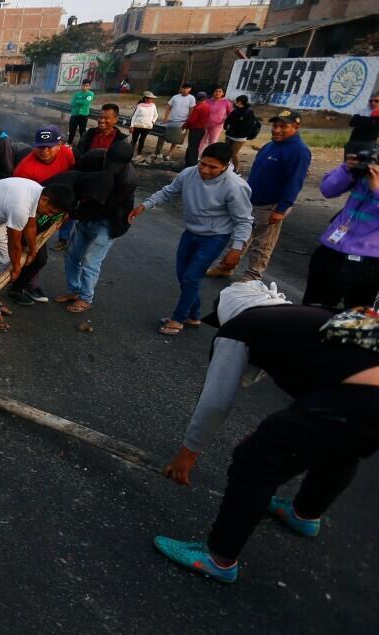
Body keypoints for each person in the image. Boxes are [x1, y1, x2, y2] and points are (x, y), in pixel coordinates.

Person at [156, 289, 379, 583]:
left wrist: (187, 454)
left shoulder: (239, 328)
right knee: (344, 444)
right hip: (361, 399)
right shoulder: (301, 316)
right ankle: (304, 514)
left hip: (360, 396)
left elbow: (215, 402)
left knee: (255, 460)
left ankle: (218, 558)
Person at [129, 143, 253, 336]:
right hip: (191, 232)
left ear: (225, 166)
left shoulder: (235, 187)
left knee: (191, 277)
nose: (205, 170)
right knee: (183, 276)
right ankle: (193, 315)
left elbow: (244, 220)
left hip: (215, 237)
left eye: (213, 167)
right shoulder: (189, 173)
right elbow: (168, 192)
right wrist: (145, 205)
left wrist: (236, 249)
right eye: (203, 164)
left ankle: (178, 318)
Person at [208, 109, 310, 281]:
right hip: (250, 201)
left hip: (271, 205)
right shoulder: (270, 145)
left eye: (283, 126)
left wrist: (281, 209)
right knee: (240, 235)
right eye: (275, 125)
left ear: (295, 127)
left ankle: (253, 275)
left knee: (262, 243)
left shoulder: (299, 151)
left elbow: (295, 182)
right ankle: (226, 266)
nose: (277, 130)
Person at [0, 178, 75, 331]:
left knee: (4, 263)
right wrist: (16, 269)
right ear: (45, 199)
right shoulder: (21, 206)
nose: (48, 215)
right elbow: (14, 244)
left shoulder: (37, 191)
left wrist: (33, 251)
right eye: (50, 211)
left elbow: (31, 226)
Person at [53, 143, 138, 314]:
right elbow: (74, 178)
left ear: (127, 163)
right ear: (106, 154)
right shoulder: (93, 157)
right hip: (86, 216)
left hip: (108, 221)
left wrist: (73, 214)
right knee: (72, 254)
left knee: (90, 261)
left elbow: (107, 207)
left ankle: (85, 298)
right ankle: (74, 290)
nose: (111, 169)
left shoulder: (129, 180)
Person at [303, 143, 379, 309]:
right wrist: (347, 168)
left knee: (356, 323)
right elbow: (328, 190)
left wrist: (377, 189)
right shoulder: (365, 171)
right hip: (332, 251)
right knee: (313, 310)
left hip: (370, 261)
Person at [9, 125, 76, 305]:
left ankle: (28, 283)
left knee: (37, 255)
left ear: (60, 144)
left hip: (52, 211)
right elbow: (18, 201)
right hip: (28, 214)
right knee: (35, 255)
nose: (45, 151)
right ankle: (16, 286)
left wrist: (65, 209)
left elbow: (72, 181)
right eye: (40, 147)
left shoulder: (67, 155)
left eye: (50, 146)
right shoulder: (24, 169)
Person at [221, 95, 260, 173]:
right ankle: (225, 166)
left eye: (237, 100)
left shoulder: (248, 112)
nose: (235, 102)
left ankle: (236, 169)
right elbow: (228, 119)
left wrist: (236, 128)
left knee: (233, 153)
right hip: (230, 134)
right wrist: (227, 127)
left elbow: (247, 125)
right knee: (226, 151)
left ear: (240, 101)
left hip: (240, 137)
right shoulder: (235, 110)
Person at [163, 83, 196, 159]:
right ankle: (158, 151)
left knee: (176, 137)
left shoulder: (191, 98)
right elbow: (169, 107)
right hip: (172, 119)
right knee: (165, 135)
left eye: (187, 88)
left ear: (190, 89)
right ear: (181, 89)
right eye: (184, 88)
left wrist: (188, 120)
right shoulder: (175, 97)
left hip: (182, 121)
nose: (185, 90)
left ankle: (170, 152)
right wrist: (166, 117)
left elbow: (191, 110)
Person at [200, 86, 233, 155]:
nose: (217, 93)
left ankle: (209, 155)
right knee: (201, 140)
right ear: (213, 92)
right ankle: (197, 156)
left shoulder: (226, 102)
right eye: (216, 91)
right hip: (205, 124)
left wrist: (225, 120)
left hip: (217, 126)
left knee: (212, 141)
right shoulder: (207, 101)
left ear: (223, 93)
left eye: (220, 91)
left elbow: (230, 113)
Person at [182, 91, 209, 168]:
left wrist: (185, 125)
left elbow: (192, 120)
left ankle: (190, 165)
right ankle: (192, 163)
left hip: (195, 129)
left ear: (196, 99)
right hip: (202, 129)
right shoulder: (206, 106)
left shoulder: (198, 107)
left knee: (191, 148)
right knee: (195, 147)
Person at [129, 92, 158, 156]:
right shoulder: (139, 105)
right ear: (145, 99)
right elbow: (134, 116)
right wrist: (132, 126)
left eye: (151, 98)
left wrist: (152, 121)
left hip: (147, 126)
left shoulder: (153, 105)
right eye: (149, 98)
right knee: (134, 140)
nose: (150, 100)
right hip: (137, 125)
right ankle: (130, 153)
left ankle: (139, 154)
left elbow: (156, 115)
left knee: (142, 140)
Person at [68, 79, 96, 145]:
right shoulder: (77, 94)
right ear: (81, 85)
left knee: (82, 131)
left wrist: (77, 101)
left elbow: (86, 102)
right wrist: (80, 102)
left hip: (84, 115)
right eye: (83, 85)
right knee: (72, 129)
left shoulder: (90, 94)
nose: (85, 87)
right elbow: (72, 103)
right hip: (74, 114)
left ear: (89, 86)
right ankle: (69, 142)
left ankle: (81, 144)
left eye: (87, 86)